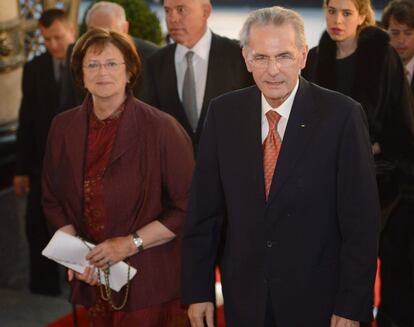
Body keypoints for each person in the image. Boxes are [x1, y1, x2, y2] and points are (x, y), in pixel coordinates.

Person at [181, 6, 379, 327]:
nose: (272, 70)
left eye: (284, 56)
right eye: (261, 58)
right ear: (246, 58)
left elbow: (361, 224)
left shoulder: (342, 116)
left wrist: (351, 305)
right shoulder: (224, 114)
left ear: (303, 56)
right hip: (244, 300)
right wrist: (197, 290)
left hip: (318, 302)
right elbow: (204, 213)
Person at [42, 28, 194, 326]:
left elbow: (188, 206)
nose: (102, 73)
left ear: (129, 72)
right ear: (81, 75)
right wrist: (77, 254)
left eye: (112, 64)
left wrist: (129, 244)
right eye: (93, 65)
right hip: (93, 280)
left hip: (152, 284)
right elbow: (51, 198)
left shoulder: (163, 129)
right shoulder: (62, 127)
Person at [301, 0, 414, 229]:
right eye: (332, 11)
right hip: (324, 178)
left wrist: (372, 147)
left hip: (377, 176)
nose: (337, 20)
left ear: (362, 17)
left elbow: (401, 117)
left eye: (346, 13)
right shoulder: (314, 58)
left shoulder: (383, 55)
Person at [14, 8, 75, 296]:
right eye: (46, 39)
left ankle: (80, 288)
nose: (52, 44)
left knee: (78, 231)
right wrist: (21, 169)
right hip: (42, 168)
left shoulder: (88, 63)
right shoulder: (34, 68)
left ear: (71, 31)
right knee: (37, 230)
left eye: (58, 38)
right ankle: (44, 291)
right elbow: (26, 121)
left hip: (78, 169)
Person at [140, 0, 253, 153]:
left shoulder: (239, 56)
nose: (172, 18)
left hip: (230, 170)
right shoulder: (155, 63)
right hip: (174, 172)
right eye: (167, 11)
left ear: (205, 12)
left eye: (181, 10)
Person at [378, 2, 414, 326]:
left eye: (407, 33)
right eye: (394, 32)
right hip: (384, 191)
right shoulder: (377, 70)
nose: (400, 40)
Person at [60, 1, 158, 110]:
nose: (100, 37)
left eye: (108, 31)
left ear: (125, 28)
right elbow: (68, 102)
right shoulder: (76, 51)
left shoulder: (152, 55)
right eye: (94, 31)